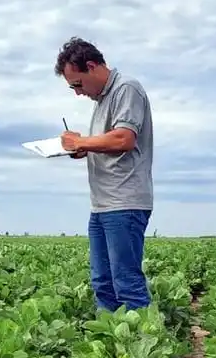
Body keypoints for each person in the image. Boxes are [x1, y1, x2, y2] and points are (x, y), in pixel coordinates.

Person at [55, 37, 154, 313]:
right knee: (102, 282)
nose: (77, 92)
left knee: (126, 282)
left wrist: (82, 142)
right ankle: (106, 347)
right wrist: (82, 149)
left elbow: (124, 139)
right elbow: (108, 144)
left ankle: (144, 349)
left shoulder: (126, 89)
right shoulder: (101, 101)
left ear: (91, 66)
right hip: (102, 205)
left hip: (125, 203)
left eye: (77, 84)